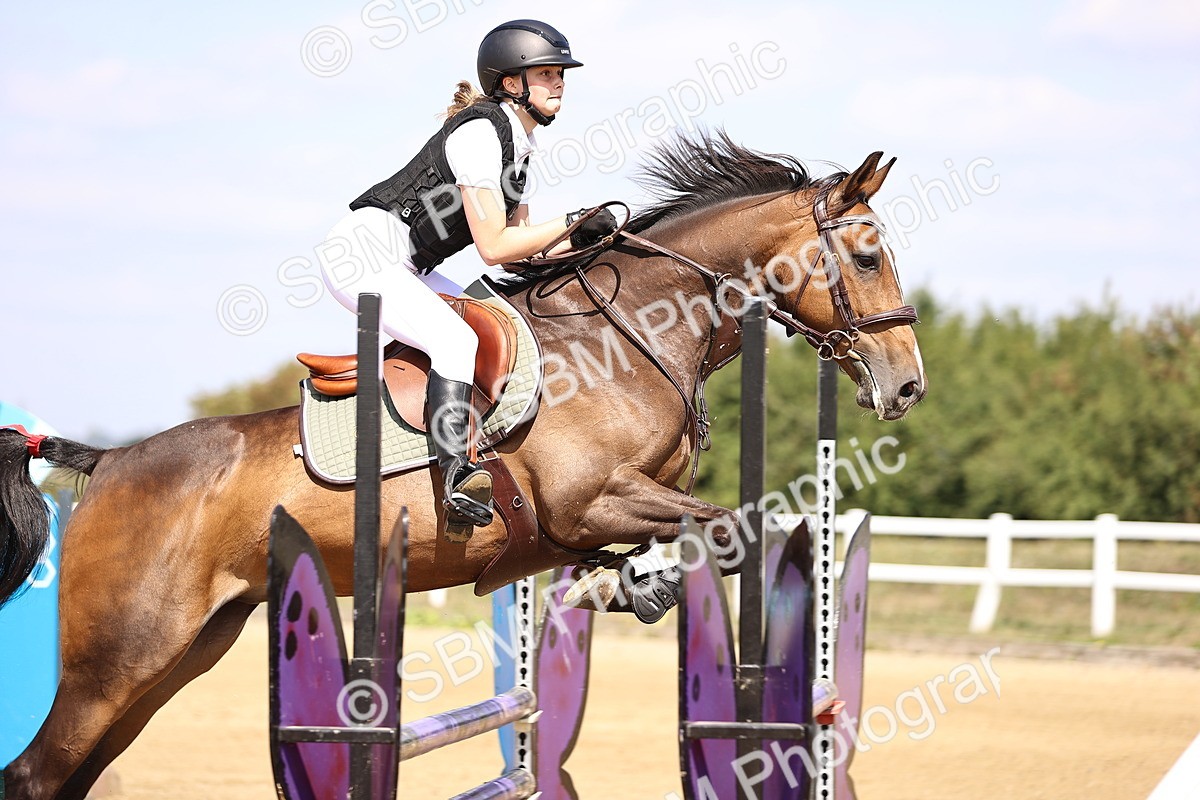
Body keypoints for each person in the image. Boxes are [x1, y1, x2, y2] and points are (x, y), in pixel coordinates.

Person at [317, 19, 618, 534]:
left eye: (561, 74)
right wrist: (567, 222)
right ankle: (455, 474)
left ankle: (488, 451)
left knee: (502, 325)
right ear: (510, 84)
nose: (560, 83)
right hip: (360, 255)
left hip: (407, 264)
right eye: (545, 74)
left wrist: (583, 238)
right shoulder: (481, 135)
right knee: (457, 340)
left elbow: (520, 256)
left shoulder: (520, 152)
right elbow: (494, 246)